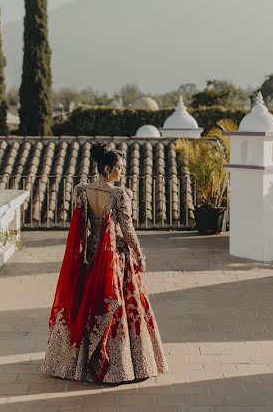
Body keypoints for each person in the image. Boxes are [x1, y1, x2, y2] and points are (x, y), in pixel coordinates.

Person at [42, 143, 168, 383]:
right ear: (107, 168)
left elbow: (80, 225)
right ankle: (120, 364)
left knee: (88, 301)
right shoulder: (120, 194)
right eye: (119, 168)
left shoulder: (82, 190)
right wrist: (139, 254)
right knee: (118, 301)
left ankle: (74, 361)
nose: (122, 173)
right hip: (114, 255)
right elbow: (127, 229)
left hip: (90, 252)